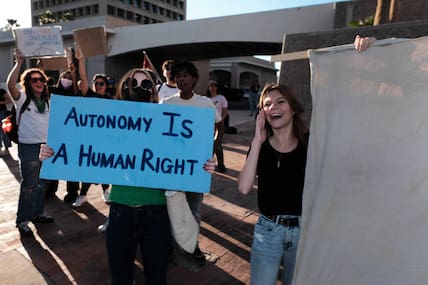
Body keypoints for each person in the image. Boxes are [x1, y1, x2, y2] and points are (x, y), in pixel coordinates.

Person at [39, 67, 216, 284]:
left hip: (157, 215)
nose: (139, 89)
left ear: (153, 91)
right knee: (121, 279)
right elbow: (82, 148)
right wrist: (52, 152)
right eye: (134, 84)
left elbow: (185, 158)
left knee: (156, 278)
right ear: (124, 89)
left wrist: (203, 165)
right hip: (120, 214)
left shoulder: (167, 122)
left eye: (145, 84)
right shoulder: (110, 122)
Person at [238, 83, 308, 285]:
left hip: (303, 232)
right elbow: (243, 187)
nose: (273, 108)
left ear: (293, 108)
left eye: (280, 102)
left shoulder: (309, 143)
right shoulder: (261, 145)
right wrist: (258, 140)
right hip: (268, 231)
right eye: (267, 104)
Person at [161, 61, 222, 269]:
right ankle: (170, 247)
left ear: (195, 79)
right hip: (171, 168)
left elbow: (219, 125)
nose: (181, 79)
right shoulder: (166, 103)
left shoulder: (205, 103)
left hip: (196, 169)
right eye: (178, 75)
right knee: (171, 208)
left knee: (194, 209)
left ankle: (191, 247)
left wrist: (212, 149)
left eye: (186, 75)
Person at [7, 48, 54, 236]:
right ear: (28, 83)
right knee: (29, 185)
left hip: (47, 147)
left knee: (43, 184)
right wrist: (18, 64)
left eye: (41, 79)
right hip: (29, 148)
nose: (39, 82)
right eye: (34, 80)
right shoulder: (22, 98)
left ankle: (37, 213)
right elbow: (11, 85)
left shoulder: (49, 101)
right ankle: (23, 220)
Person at [71, 50, 111, 207]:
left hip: (106, 140)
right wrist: (81, 60)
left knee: (105, 167)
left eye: (102, 83)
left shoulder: (111, 100)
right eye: (97, 83)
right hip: (90, 140)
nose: (99, 86)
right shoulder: (89, 95)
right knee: (89, 167)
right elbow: (83, 78)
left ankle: (106, 191)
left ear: (106, 86)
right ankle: (82, 195)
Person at [45, 67, 81, 200]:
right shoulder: (53, 91)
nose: (67, 80)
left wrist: (74, 73)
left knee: (70, 163)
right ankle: (50, 189)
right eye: (65, 77)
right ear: (60, 79)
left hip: (71, 134)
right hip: (55, 133)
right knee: (53, 161)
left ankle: (72, 192)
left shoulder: (75, 93)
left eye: (70, 78)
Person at [207, 79, 228, 172]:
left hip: (218, 126)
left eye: (214, 86)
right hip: (207, 126)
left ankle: (221, 165)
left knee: (218, 145)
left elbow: (225, 111)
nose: (212, 88)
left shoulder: (221, 98)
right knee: (207, 147)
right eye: (211, 86)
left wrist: (220, 121)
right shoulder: (206, 99)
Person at [0, 88, 12, 155]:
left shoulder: (2, 91)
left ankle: (7, 148)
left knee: (5, 130)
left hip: (2, 112)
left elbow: (10, 100)